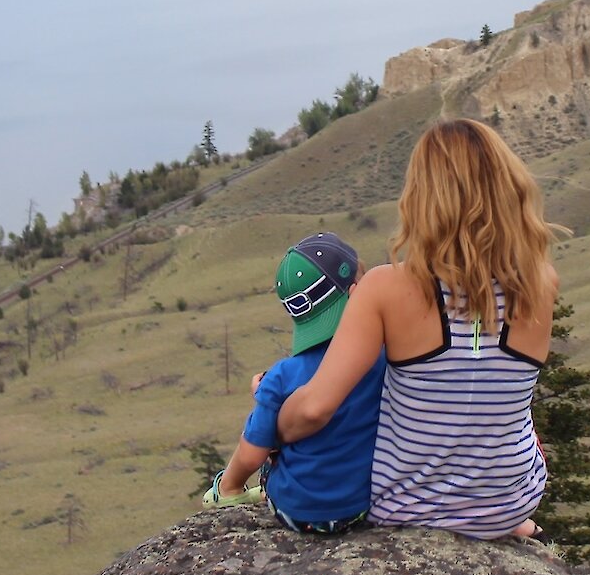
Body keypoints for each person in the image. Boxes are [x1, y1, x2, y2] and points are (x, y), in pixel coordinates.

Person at [276, 119, 565, 540]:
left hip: (406, 508)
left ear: (422, 197)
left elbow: (315, 409)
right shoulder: (541, 282)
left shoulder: (385, 287)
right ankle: (504, 519)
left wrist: (273, 428)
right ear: (508, 188)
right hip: (509, 502)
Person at [206, 232, 386, 534]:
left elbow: (251, 454)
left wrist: (231, 485)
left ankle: (227, 494)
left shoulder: (280, 377)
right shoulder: (381, 355)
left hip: (296, 513)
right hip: (362, 505)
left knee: (272, 457)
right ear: (355, 294)